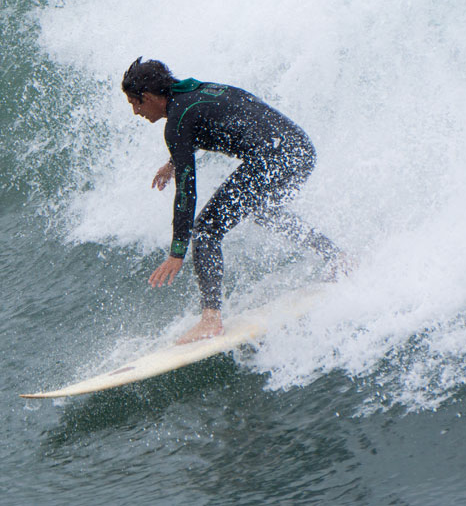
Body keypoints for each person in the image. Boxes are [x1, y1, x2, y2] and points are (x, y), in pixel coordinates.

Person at [122, 57, 348, 344]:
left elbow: (186, 192)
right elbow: (213, 118)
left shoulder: (178, 121)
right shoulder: (194, 91)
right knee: (262, 210)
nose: (135, 111)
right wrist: (173, 162)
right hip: (299, 149)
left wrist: (177, 252)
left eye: (135, 103)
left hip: (273, 157)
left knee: (205, 230)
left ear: (150, 97)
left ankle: (210, 319)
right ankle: (338, 256)